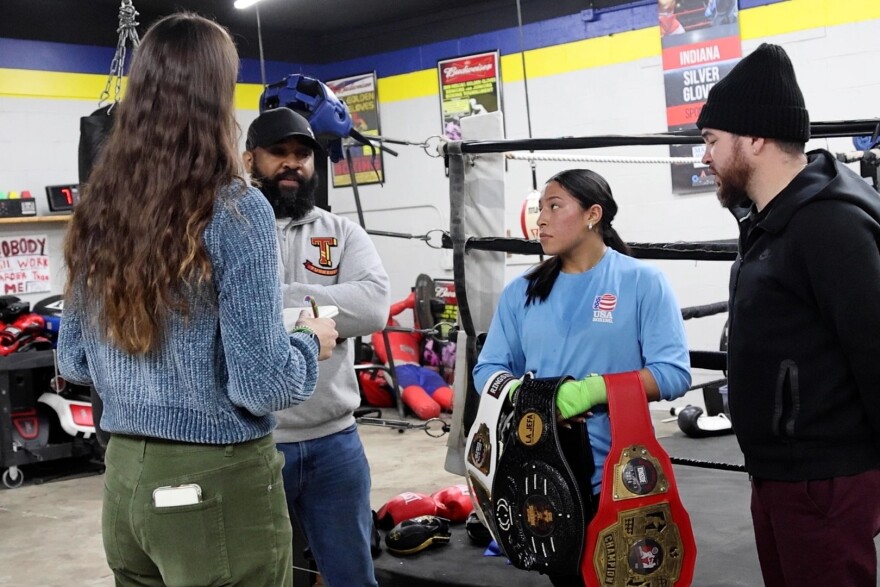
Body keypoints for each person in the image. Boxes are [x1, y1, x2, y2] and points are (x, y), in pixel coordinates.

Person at [57, 14, 337, 587]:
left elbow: (74, 360)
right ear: (216, 96)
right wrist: (310, 343)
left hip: (125, 484)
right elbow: (262, 384)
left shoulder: (100, 209)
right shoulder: (237, 210)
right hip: (214, 482)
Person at [697, 43, 880, 586]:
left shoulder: (829, 226)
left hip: (823, 479)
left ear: (753, 137)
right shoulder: (771, 220)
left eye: (711, 141)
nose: (703, 156)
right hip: (780, 474)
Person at [473, 168, 691, 586]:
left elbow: (673, 373)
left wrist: (591, 391)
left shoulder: (642, 282)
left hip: (618, 475)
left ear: (593, 214)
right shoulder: (521, 291)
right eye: (540, 209)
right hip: (544, 470)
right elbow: (488, 370)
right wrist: (534, 398)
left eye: (555, 207)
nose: (541, 220)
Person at [243, 107, 391, 587]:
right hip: (256, 444)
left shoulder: (341, 232)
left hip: (335, 442)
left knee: (352, 577)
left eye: (302, 155)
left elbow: (371, 308)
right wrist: (321, 310)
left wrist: (278, 303)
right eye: (278, 153)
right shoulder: (230, 232)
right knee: (268, 577)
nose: (293, 164)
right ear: (250, 159)